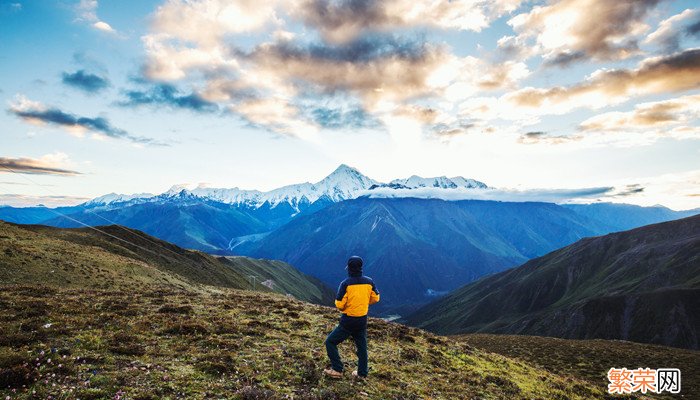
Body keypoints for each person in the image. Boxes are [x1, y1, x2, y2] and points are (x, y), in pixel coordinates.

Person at [323, 256, 380, 379]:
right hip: (362, 320)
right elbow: (376, 298)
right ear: (361, 268)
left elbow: (339, 304)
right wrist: (363, 302)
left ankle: (337, 369)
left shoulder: (346, 284)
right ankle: (362, 374)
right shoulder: (369, 282)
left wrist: (347, 307)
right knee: (362, 347)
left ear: (348, 268)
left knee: (330, 342)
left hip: (348, 320)